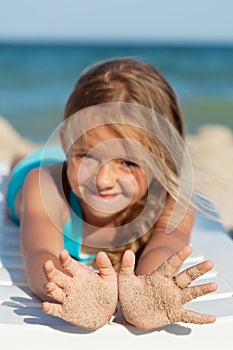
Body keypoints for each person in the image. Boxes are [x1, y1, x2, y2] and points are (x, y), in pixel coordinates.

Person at [5, 58, 217, 330]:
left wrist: (147, 294)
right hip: (36, 171)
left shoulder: (172, 205)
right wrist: (68, 290)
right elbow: (39, 253)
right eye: (87, 154)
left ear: (163, 159)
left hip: (71, 165)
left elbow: (164, 248)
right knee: (22, 167)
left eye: (128, 162)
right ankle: (24, 159)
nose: (104, 180)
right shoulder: (46, 187)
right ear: (65, 141)